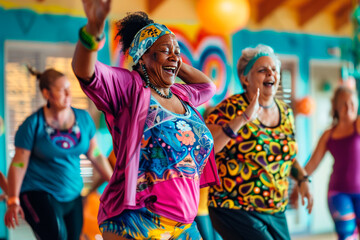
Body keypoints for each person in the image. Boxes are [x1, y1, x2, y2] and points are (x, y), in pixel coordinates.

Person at [71, 1, 219, 239]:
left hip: (183, 226)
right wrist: (93, 30)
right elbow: (86, 71)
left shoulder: (181, 94)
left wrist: (172, 60)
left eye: (178, 51)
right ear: (143, 56)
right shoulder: (128, 87)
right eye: (164, 50)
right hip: (138, 219)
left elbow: (208, 87)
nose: (175, 56)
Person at [205, 44, 313, 240]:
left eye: (274, 69)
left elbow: (286, 156)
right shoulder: (229, 108)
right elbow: (208, 147)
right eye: (262, 70)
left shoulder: (286, 112)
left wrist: (303, 179)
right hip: (233, 207)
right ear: (245, 79)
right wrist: (244, 117)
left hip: (275, 209)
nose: (270, 73)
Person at [4, 67, 113, 240]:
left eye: (69, 88)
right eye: (63, 90)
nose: (69, 94)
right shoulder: (33, 124)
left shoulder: (83, 119)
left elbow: (96, 154)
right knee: (56, 236)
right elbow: (19, 163)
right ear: (47, 94)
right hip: (39, 191)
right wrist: (13, 200)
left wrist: (115, 184)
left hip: (72, 194)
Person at [302, 86, 360, 240]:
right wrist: (298, 182)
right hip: (338, 193)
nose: (349, 107)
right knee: (347, 235)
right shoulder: (329, 134)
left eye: (352, 103)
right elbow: (311, 165)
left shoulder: (358, 125)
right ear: (335, 106)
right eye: (344, 103)